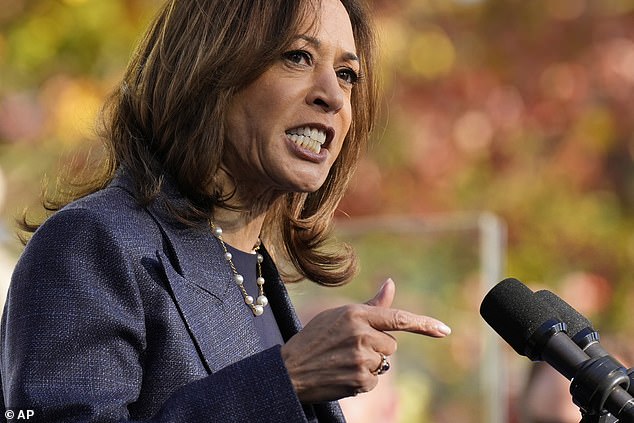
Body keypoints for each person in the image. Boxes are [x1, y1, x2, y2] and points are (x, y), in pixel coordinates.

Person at [0, 0, 451, 421]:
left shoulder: (254, 270)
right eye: (297, 56)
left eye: (348, 74)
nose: (333, 95)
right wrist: (287, 378)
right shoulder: (90, 245)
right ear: (210, 69)